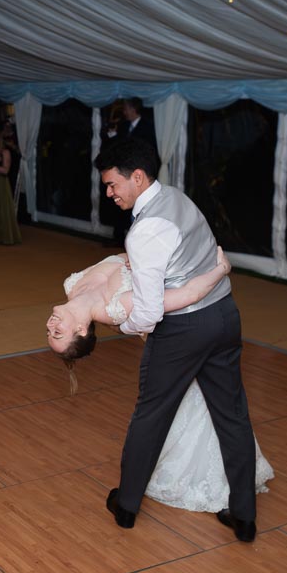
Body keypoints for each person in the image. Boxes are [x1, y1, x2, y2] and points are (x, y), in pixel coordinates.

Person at [96, 138, 258, 542]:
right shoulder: (177, 197)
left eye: (113, 185)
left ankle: (127, 506)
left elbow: (149, 313)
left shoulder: (145, 230)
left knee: (151, 413)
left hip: (184, 329)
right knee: (233, 414)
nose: (108, 193)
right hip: (225, 316)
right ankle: (244, 516)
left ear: (137, 177)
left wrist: (121, 325)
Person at [48, 247, 274, 513]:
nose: (51, 326)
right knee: (204, 408)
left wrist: (141, 254)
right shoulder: (113, 308)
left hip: (193, 313)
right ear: (80, 330)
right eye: (58, 334)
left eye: (49, 332)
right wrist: (221, 270)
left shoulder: (71, 285)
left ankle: (232, 489)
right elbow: (186, 296)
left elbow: (124, 256)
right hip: (185, 331)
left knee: (209, 407)